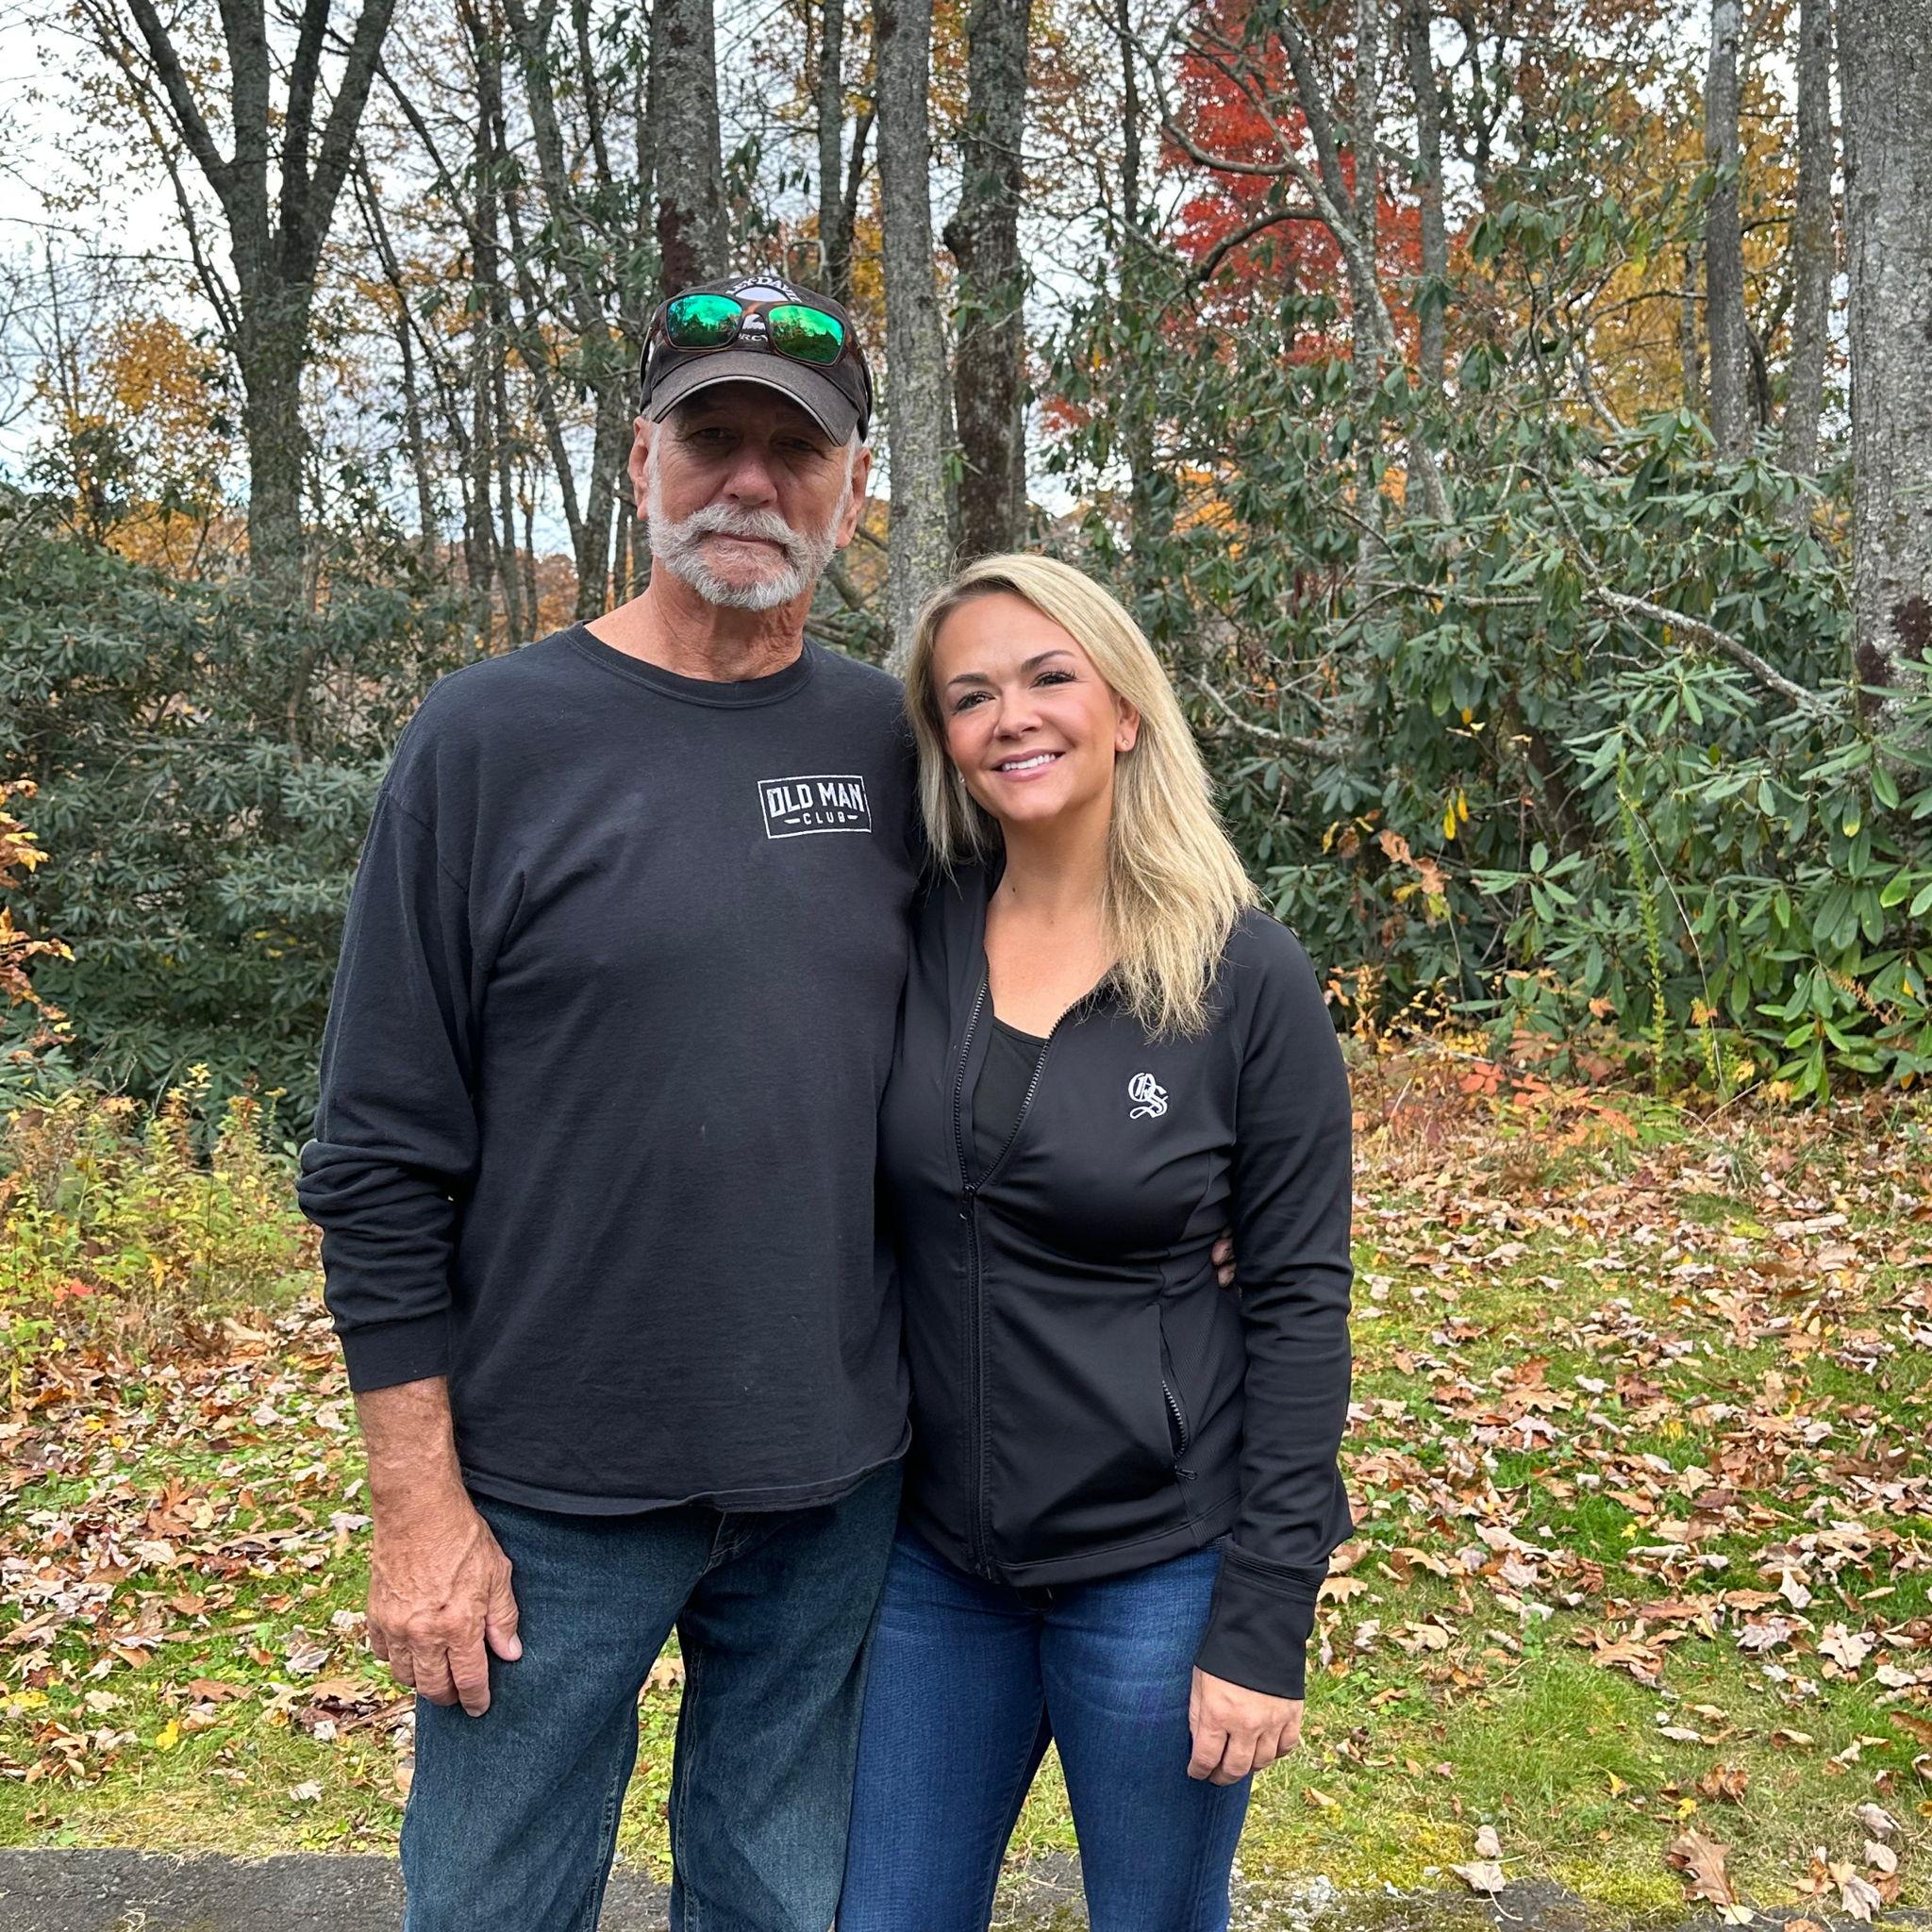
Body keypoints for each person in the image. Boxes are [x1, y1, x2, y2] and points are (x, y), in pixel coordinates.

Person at [294, 275, 923, 1932]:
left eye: (797, 452)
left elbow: (1024, 1034)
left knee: (784, 1904)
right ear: (640, 458)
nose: (751, 484)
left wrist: (1189, 1200)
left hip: (832, 1478)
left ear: (855, 486)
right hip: (542, 1495)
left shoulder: (896, 747)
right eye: (712, 438)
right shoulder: (492, 737)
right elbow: (373, 1158)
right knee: (493, 1906)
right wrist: (417, 1505)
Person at [839, 554, 1357, 1932]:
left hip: (1163, 1571)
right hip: (933, 1567)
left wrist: (1264, 1622)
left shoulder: (1245, 978)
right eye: (971, 694)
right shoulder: (915, 929)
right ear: (943, 738)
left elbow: (1303, 1306)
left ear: (1126, 705)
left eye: (1050, 675)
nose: (1014, 714)